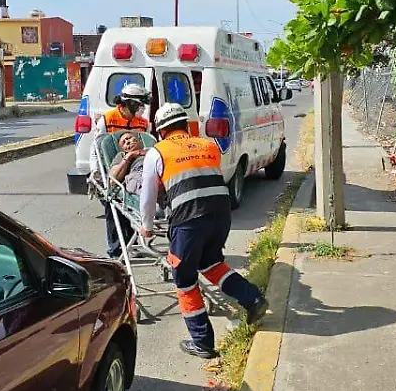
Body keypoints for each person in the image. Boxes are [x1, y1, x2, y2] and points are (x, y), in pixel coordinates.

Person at [138, 103, 269, 359]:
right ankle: (252, 299)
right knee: (210, 263)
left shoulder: (157, 152)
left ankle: (203, 342)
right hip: (221, 214)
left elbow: (148, 195)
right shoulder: (208, 145)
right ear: (186, 125)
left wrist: (148, 226)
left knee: (184, 279)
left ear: (161, 131)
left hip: (189, 219)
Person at [94, 83, 151, 259]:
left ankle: (129, 244)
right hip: (115, 168)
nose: (140, 109)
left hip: (139, 167)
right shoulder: (107, 118)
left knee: (128, 210)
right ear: (125, 105)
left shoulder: (142, 123)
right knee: (114, 208)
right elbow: (96, 148)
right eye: (137, 105)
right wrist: (96, 171)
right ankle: (115, 249)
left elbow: (147, 141)